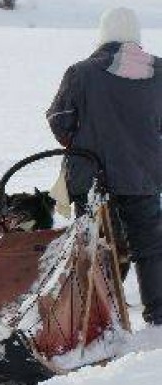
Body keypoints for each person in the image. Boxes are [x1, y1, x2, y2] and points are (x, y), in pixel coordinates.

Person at [47, 7, 162, 326]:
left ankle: (99, 317)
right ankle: (158, 311)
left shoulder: (81, 73)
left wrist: (83, 139)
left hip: (93, 175)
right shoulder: (160, 72)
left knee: (95, 246)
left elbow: (59, 120)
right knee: (150, 246)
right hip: (145, 176)